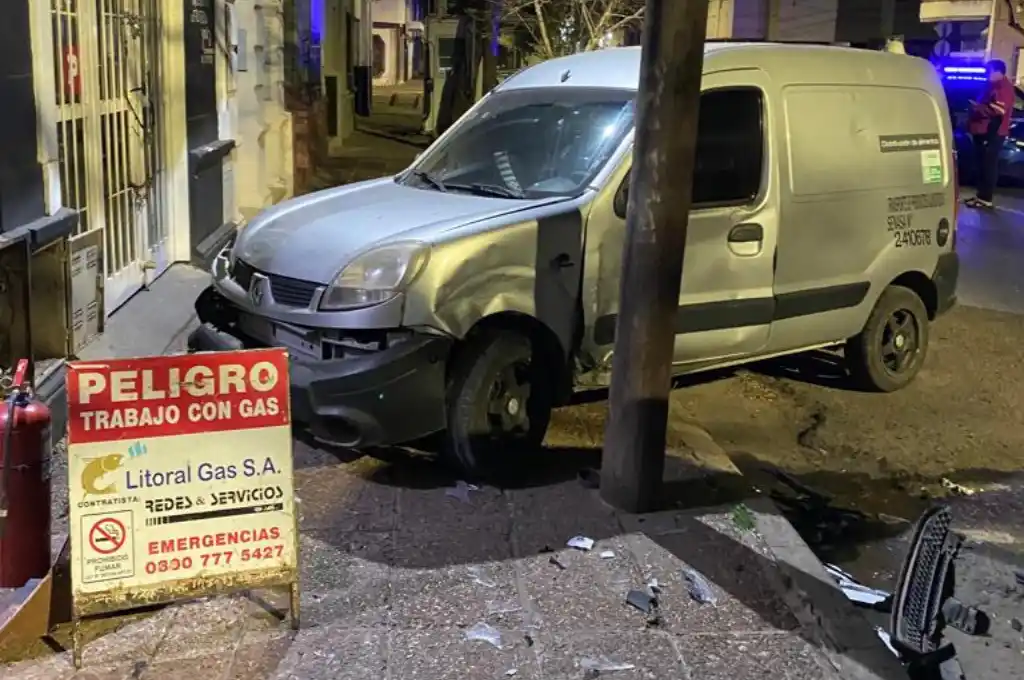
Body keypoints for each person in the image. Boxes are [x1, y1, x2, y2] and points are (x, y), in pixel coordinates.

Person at [965, 59, 1016, 209]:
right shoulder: (991, 85)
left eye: (989, 71)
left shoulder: (1003, 88)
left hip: (992, 132)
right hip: (982, 131)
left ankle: (985, 198)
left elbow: (999, 111)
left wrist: (978, 108)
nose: (987, 74)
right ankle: (980, 196)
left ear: (998, 72)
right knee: (982, 165)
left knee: (988, 166)